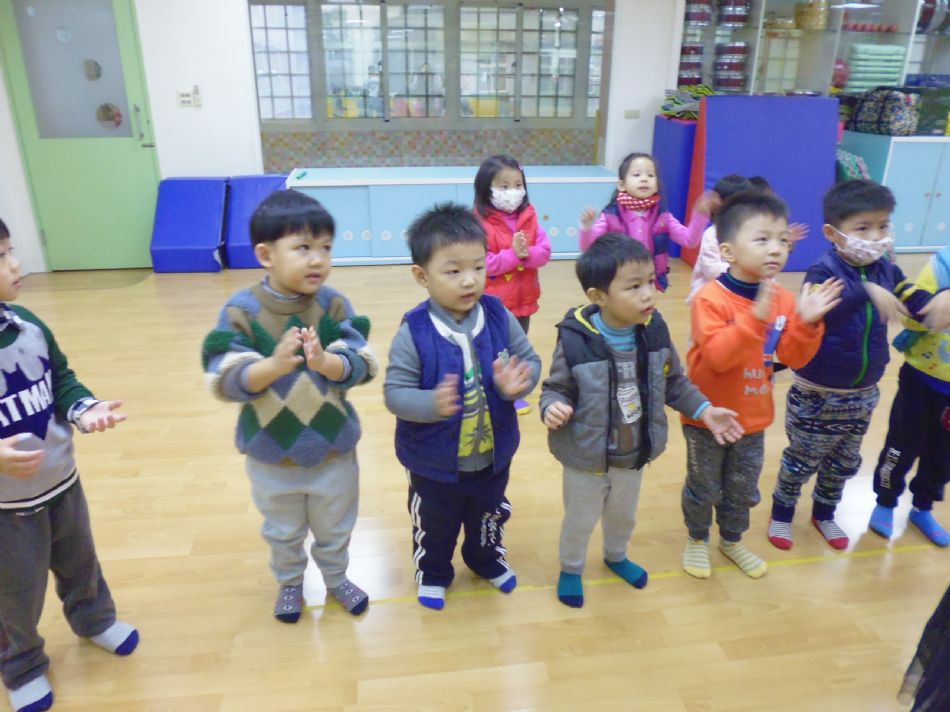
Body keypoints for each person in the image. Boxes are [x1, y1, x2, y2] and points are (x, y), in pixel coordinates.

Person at [540, 234, 743, 608]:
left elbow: (674, 383)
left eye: (651, 281)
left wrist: (704, 409)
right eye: (634, 286)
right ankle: (571, 568)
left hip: (632, 454)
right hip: (586, 458)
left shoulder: (654, 331)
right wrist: (552, 407)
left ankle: (616, 556)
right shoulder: (576, 339)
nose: (649, 293)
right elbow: (556, 388)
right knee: (580, 520)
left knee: (623, 516)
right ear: (599, 296)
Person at [202, 190, 377, 622]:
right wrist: (272, 367)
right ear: (266, 255)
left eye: (326, 248)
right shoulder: (241, 310)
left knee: (336, 526)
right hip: (270, 455)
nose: (318, 259)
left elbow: (363, 362)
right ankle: (290, 584)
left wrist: (326, 362)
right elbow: (222, 376)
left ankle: (336, 578)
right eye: (303, 248)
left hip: (333, 450)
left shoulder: (333, 305)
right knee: (282, 531)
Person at [0, 217, 137, 712]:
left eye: (9, 251)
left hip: (62, 481)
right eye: (0, 258)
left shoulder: (27, 325)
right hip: (7, 508)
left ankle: (94, 620)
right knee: (16, 591)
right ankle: (21, 665)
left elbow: (60, 378)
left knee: (80, 560)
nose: (15, 264)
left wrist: (84, 409)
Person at [383, 203, 541, 611]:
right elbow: (394, 393)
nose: (469, 280)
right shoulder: (415, 330)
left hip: (493, 456)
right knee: (434, 525)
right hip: (433, 464)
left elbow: (530, 359)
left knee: (490, 516)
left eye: (478, 267)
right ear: (422, 276)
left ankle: (485, 560)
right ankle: (433, 572)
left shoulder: (497, 314)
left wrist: (518, 383)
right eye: (453, 271)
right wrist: (430, 403)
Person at [681, 191, 842, 579]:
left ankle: (731, 539)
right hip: (708, 417)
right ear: (728, 252)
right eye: (763, 239)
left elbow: (793, 357)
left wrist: (807, 323)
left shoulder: (782, 299)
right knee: (704, 486)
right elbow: (718, 357)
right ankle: (697, 538)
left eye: (783, 240)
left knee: (742, 489)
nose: (776, 249)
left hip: (752, 417)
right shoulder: (709, 298)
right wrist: (755, 318)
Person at [768, 179, 906, 551]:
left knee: (844, 460)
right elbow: (821, 312)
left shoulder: (886, 268)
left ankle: (825, 513)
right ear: (833, 233)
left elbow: (910, 295)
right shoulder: (822, 270)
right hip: (819, 392)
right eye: (863, 228)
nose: (875, 236)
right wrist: (866, 291)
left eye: (882, 226)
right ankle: (782, 512)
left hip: (864, 390)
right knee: (803, 458)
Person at [869, 243, 950, 547]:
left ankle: (923, 507)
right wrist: (936, 306)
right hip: (922, 379)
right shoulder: (943, 265)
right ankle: (886, 500)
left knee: (943, 455)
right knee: (901, 445)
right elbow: (910, 315)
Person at [473, 155, 552, 415]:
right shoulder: (479, 223)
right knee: (495, 349)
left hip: (523, 299)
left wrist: (526, 254)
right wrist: (514, 256)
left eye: (518, 185)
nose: (513, 192)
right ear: (486, 189)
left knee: (517, 346)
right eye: (504, 186)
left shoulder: (529, 217)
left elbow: (545, 251)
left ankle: (515, 392)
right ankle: (488, 388)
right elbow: (483, 263)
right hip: (495, 303)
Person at [578, 152, 718, 291]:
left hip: (648, 282)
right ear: (621, 185)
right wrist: (586, 227)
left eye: (650, 175)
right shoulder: (611, 215)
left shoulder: (663, 216)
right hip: (617, 280)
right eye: (636, 174)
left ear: (656, 186)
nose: (644, 179)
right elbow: (587, 247)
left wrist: (700, 215)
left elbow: (689, 240)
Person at [687, 174, 809, 304]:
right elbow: (711, 269)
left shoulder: (753, 233)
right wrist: (745, 270)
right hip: (714, 295)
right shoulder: (712, 234)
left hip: (746, 291)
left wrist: (785, 243)